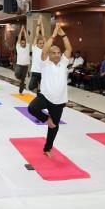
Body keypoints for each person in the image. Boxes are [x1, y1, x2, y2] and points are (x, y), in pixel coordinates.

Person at [28, 23, 72, 157]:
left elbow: (69, 48)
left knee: (54, 126)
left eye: (59, 53)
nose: (57, 55)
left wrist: (63, 34)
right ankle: (47, 118)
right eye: (54, 53)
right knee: (32, 108)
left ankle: (47, 149)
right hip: (45, 96)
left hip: (59, 100)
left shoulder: (64, 63)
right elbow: (44, 50)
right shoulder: (45, 63)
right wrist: (53, 35)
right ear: (49, 54)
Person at [29, 18, 46, 93]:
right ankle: (37, 89)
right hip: (35, 71)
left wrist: (42, 25)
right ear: (37, 44)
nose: (42, 44)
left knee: (43, 89)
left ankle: (39, 96)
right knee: (31, 87)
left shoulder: (45, 49)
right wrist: (38, 24)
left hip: (43, 72)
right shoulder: (34, 48)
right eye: (40, 43)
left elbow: (44, 36)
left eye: (43, 43)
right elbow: (36, 36)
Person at [15, 26, 30, 94]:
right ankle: (22, 82)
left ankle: (21, 89)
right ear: (20, 43)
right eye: (22, 43)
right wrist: (21, 30)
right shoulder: (18, 47)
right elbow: (19, 38)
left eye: (24, 43)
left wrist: (25, 31)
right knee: (17, 75)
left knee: (23, 79)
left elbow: (27, 38)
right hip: (19, 65)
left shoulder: (27, 47)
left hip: (25, 66)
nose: (23, 44)